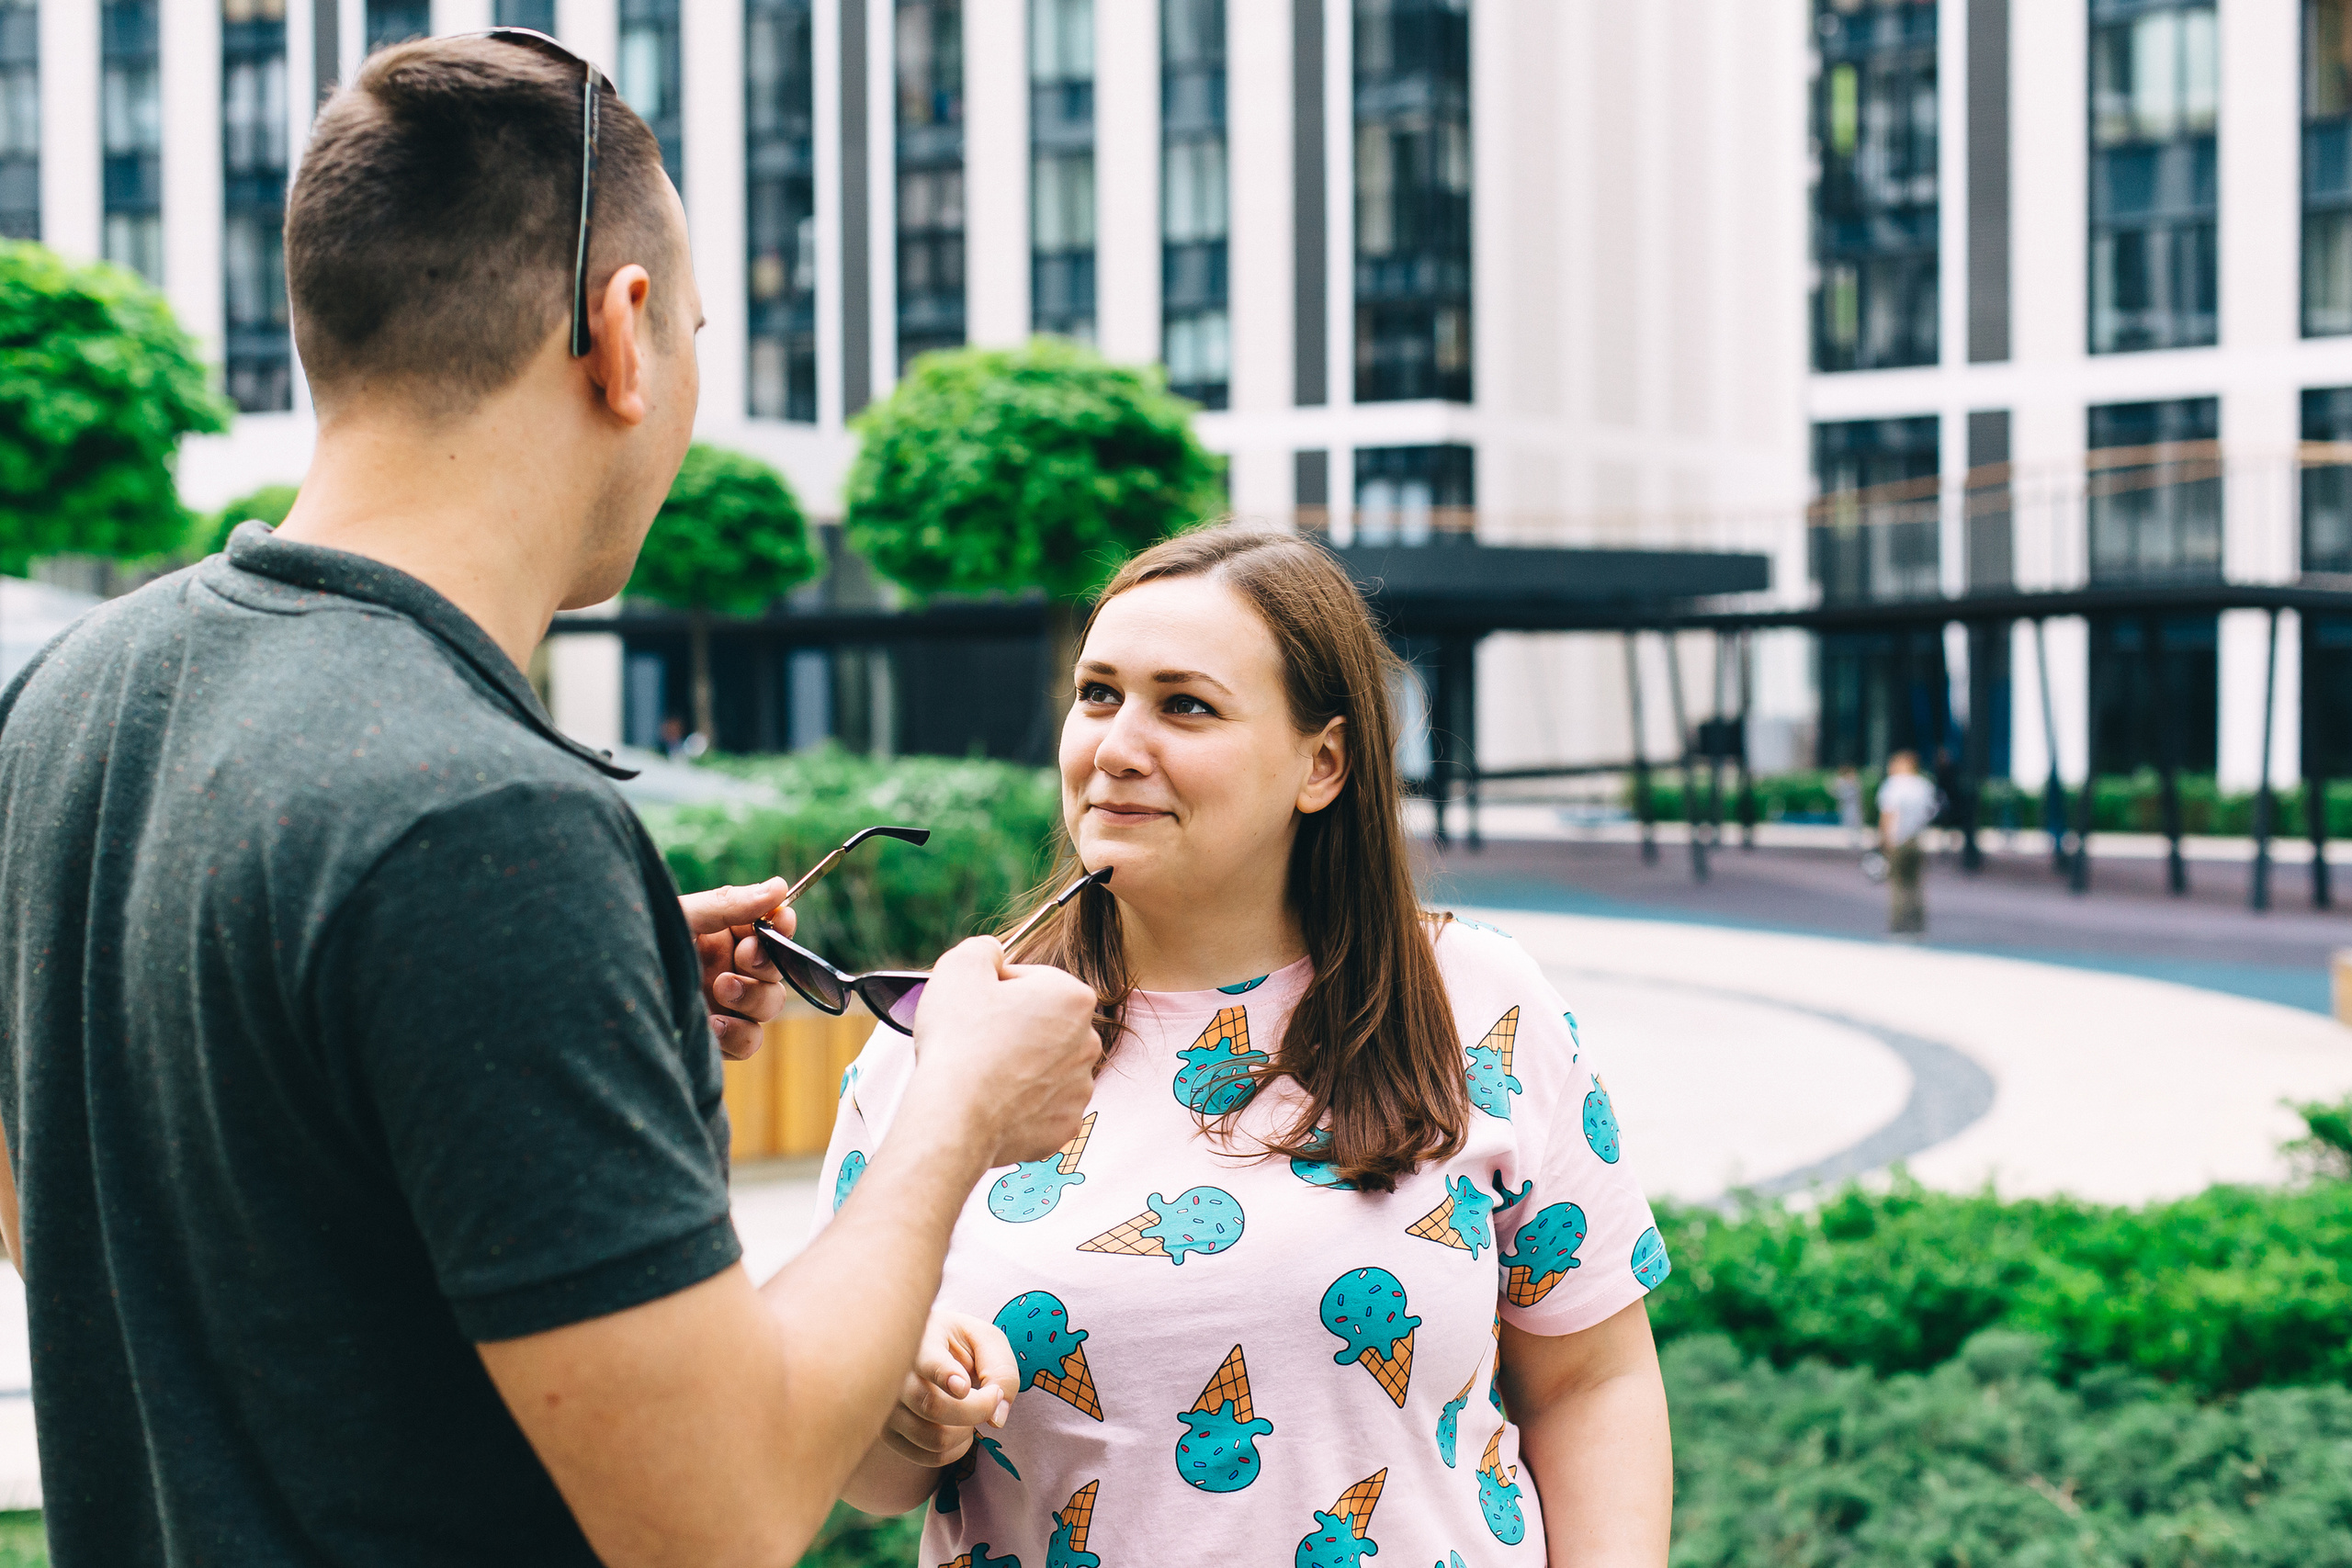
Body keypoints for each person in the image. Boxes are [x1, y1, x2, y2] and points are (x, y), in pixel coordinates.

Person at [0, 33, 1099, 1568]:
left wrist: (541, 1012)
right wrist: (957, 1106)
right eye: (698, 336)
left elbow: (66, 1198)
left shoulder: (65, 698)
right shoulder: (483, 827)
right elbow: (716, 1519)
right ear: (621, 332)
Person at [814, 529, 1674, 1567]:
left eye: (1185, 705)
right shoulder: (939, 1038)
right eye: (1097, 694)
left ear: (1323, 763)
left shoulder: (1483, 1007)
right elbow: (863, 1474)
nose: (1116, 746)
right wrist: (910, 1413)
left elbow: (1591, 1382)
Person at [1877, 750, 1941, 936]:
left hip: (1898, 839)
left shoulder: (1894, 785)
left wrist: (1884, 839)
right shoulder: (1924, 785)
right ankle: (1917, 925)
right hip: (1917, 839)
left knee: (1898, 884)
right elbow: (1932, 811)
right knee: (1915, 883)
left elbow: (1888, 814)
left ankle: (1899, 926)